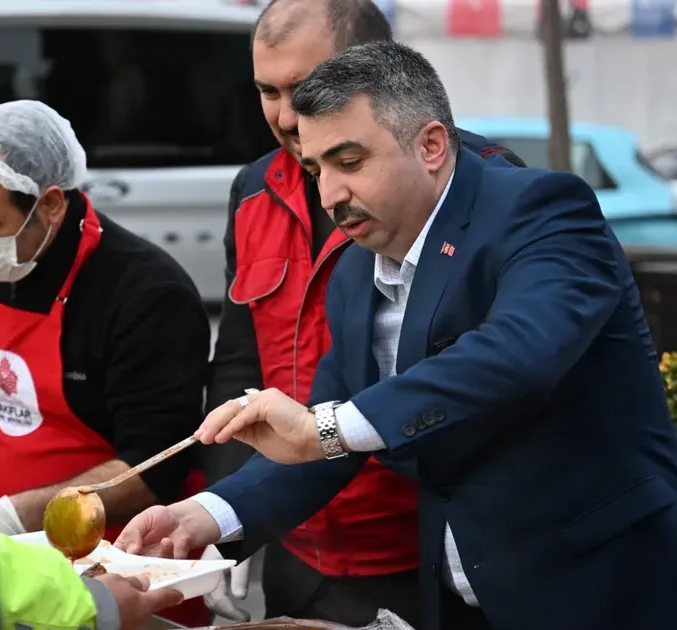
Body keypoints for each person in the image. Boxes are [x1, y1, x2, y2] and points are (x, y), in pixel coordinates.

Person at [119, 41, 677, 630]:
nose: (329, 195)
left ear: (431, 145)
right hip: (463, 596)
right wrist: (206, 515)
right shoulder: (353, 273)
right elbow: (330, 430)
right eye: (316, 171)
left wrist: (324, 429)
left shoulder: (541, 208)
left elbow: (520, 352)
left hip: (606, 584)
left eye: (350, 162)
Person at [202, 0, 524, 625]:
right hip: (298, 537)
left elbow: (499, 367)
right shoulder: (253, 191)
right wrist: (227, 518)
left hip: (421, 544)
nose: (285, 114)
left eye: (305, 86)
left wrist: (325, 433)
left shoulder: (478, 184)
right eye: (268, 90)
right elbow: (239, 362)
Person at [0, 99, 213, 627]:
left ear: (52, 204)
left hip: (118, 564)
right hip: (6, 566)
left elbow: (153, 469)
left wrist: (12, 515)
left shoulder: (147, 293)